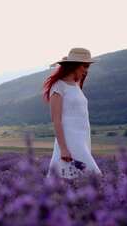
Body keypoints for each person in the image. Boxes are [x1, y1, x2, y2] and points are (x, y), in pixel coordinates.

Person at [43, 47, 103, 179]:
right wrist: (63, 148)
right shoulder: (58, 86)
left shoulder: (75, 85)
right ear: (74, 65)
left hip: (82, 139)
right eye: (85, 66)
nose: (87, 70)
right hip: (70, 141)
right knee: (95, 177)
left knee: (71, 180)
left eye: (88, 66)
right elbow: (56, 119)